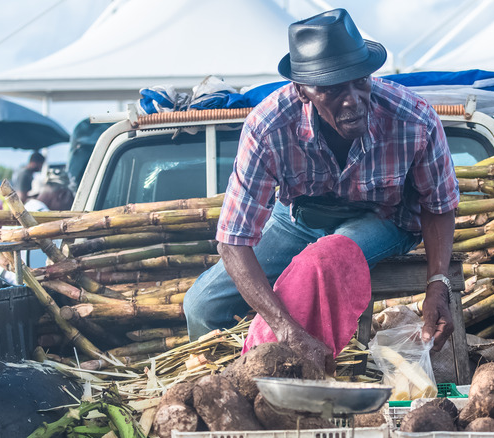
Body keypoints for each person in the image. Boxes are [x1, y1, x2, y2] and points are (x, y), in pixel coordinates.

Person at [183, 9, 458, 373]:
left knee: (323, 259)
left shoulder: (414, 118)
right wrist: (285, 330)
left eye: (359, 81)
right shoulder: (268, 127)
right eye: (331, 88)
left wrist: (437, 283)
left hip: (383, 218)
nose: (352, 99)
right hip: (298, 217)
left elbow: (438, 205)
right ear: (302, 90)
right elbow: (233, 239)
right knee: (201, 306)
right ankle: (229, 386)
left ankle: (316, 384)